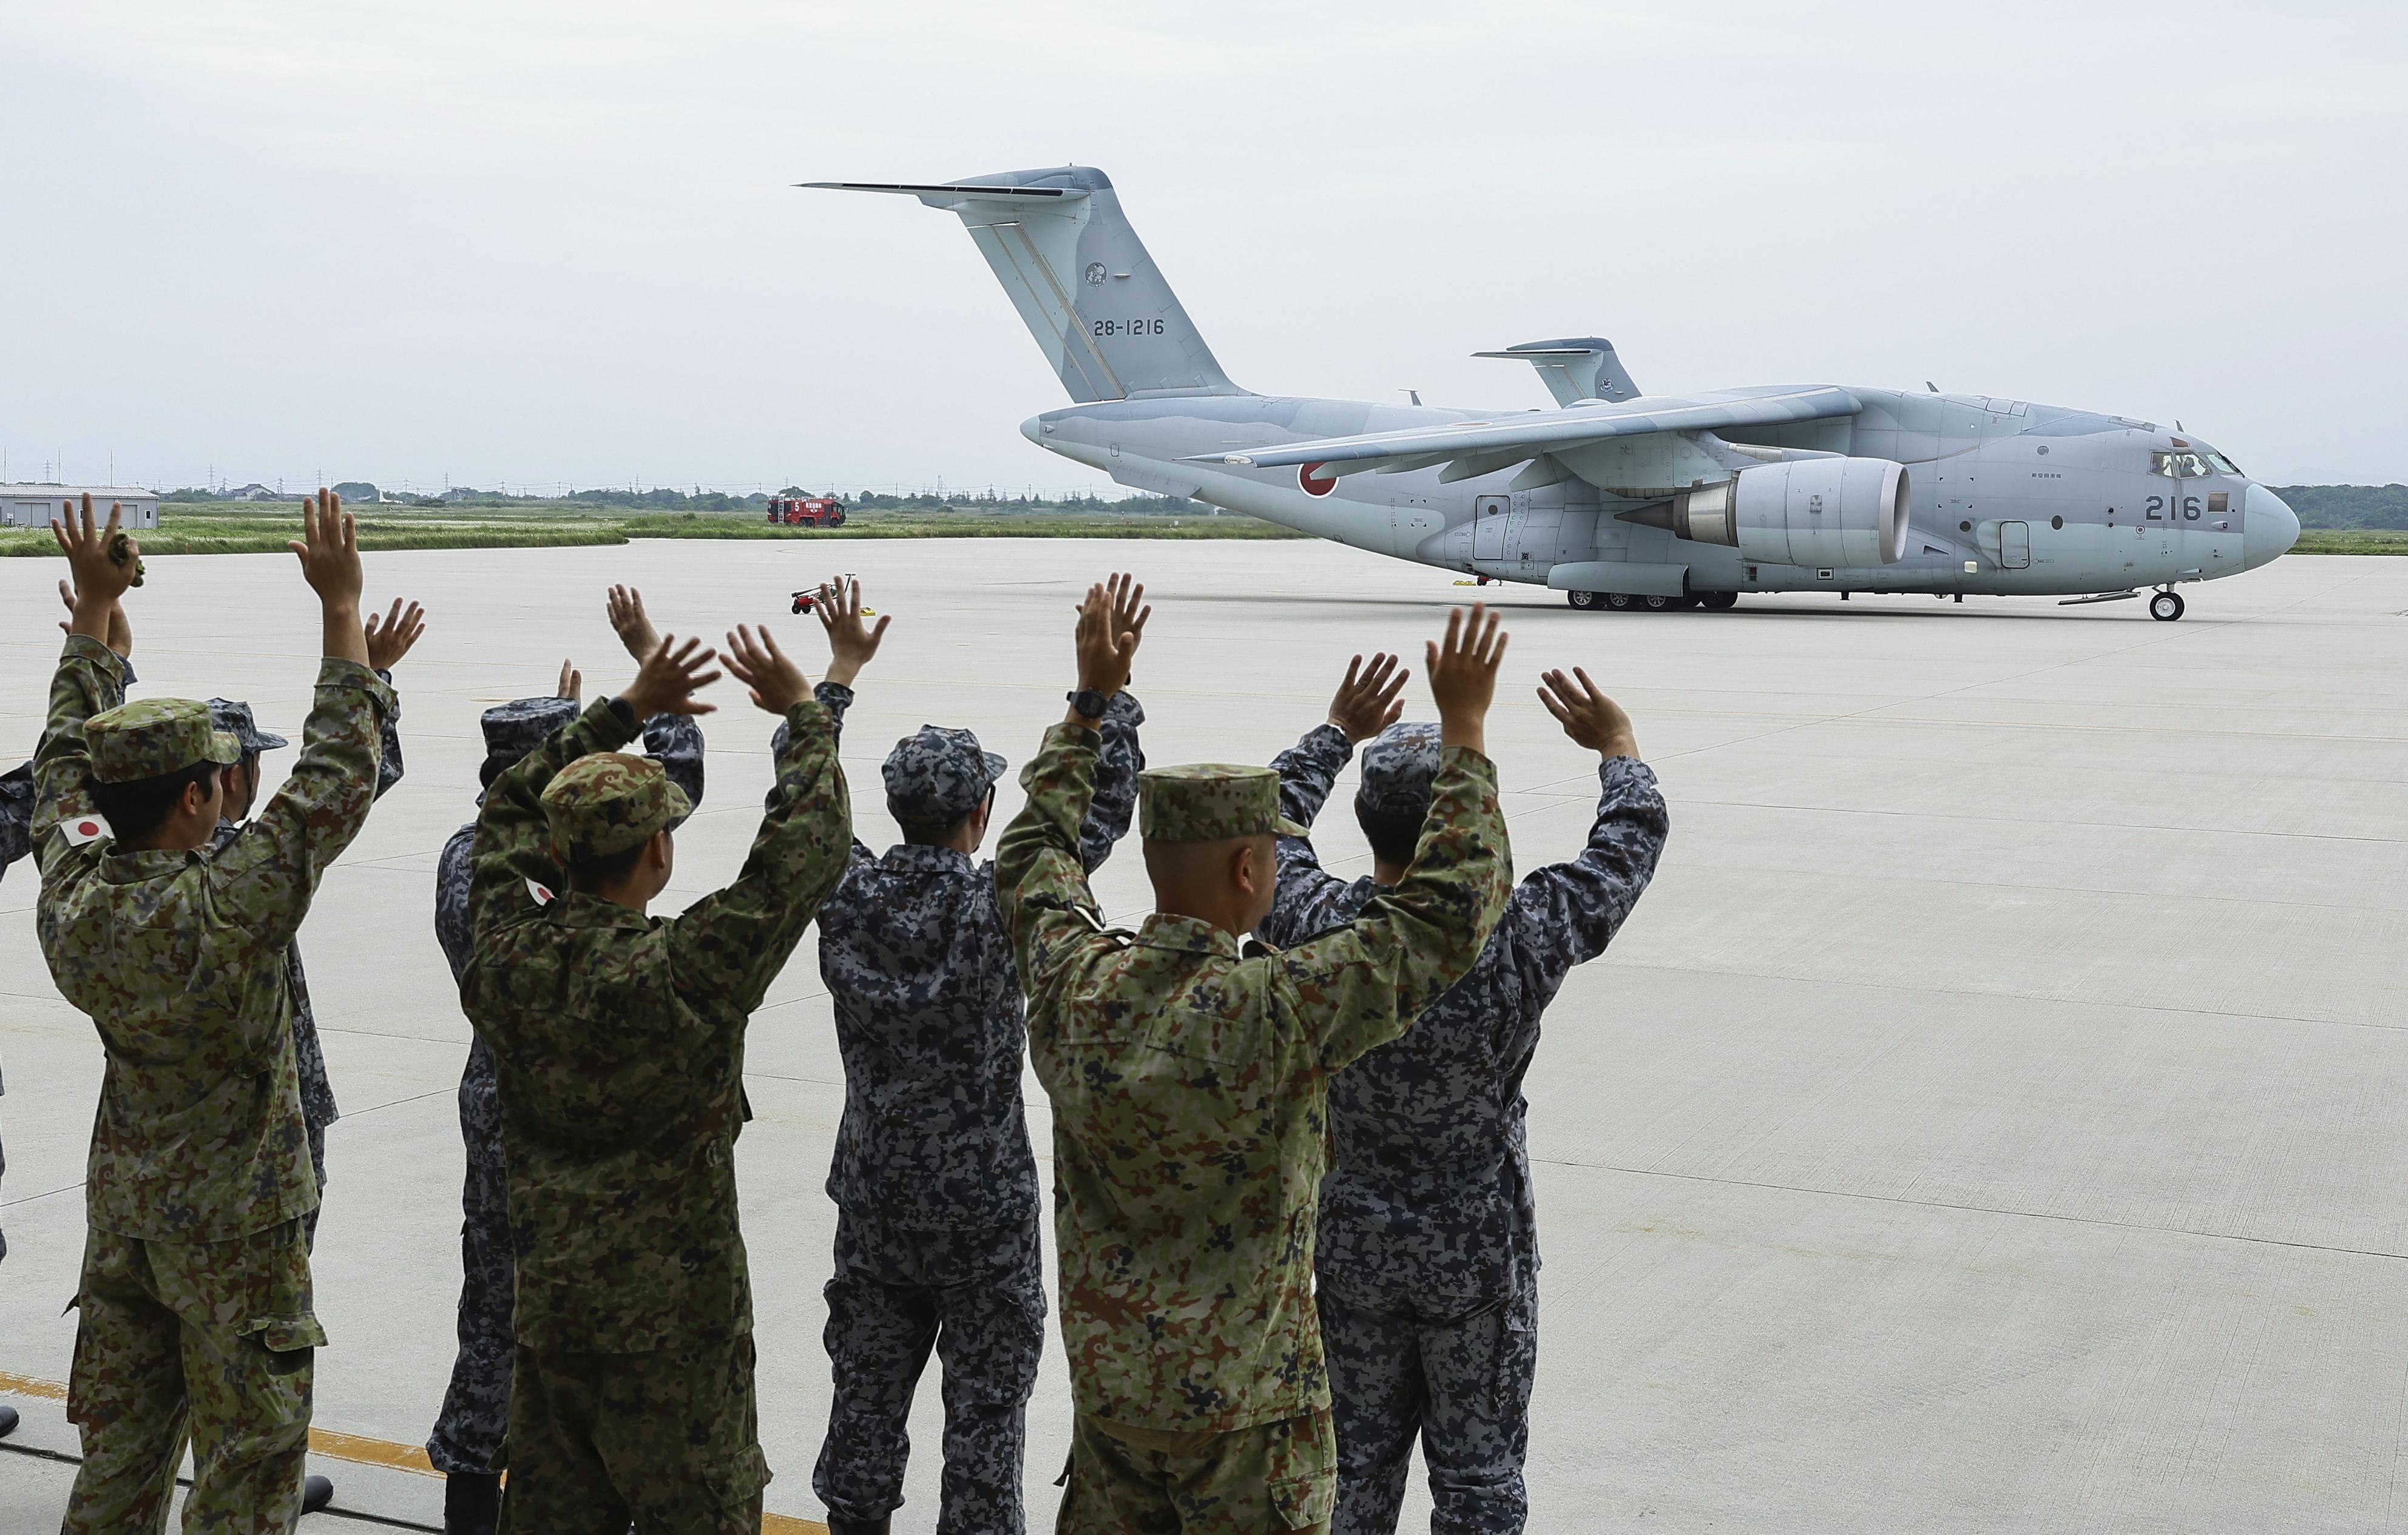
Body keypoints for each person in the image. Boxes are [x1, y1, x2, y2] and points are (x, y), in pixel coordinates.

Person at [996, 577, 1514, 1532]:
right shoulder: (1275, 1008)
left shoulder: (1074, 983)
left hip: (1116, 1411)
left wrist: (1088, 703)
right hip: (1248, 1424)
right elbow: (1447, 913)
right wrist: (1466, 731)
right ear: (1249, 872)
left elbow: (1031, 854)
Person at [36, 491, 405, 1530]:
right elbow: (335, 777)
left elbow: (65, 764)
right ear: (199, 797)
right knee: (244, 1471)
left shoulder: (75, 892)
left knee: (119, 1464)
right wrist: (343, 610)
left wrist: (93, 622)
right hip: (237, 1233)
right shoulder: (223, 906)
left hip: (130, 1219)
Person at [459, 611, 854, 1532]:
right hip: (677, 1338)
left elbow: (505, 808)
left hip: (555, 1321)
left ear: (558, 856)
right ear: (660, 850)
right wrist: (806, 713)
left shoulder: (506, 959)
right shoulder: (683, 972)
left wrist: (621, 707)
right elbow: (807, 849)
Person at [1258, 661, 1668, 1534]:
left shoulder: (1319, 924)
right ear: (1470, 823)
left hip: (1353, 1238)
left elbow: (1269, 829)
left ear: (1369, 817)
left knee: (1353, 1470)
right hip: (1476, 1246)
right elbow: (1628, 844)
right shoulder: (1520, 932)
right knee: (1479, 1479)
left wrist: (1336, 731)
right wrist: (1618, 748)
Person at [802, 578, 1145, 1535]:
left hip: (874, 1193)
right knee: (987, 1421)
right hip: (983, 1206)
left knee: (865, 1401)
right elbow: (1091, 821)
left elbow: (802, 808)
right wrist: (1105, 696)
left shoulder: (849, 891)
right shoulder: (1001, 902)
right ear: (983, 811)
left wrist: (835, 681)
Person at [425, 587, 704, 1535]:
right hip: (551, 1110)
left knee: (491, 1320)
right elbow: (675, 792)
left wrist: (595, 727)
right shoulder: (552, 873)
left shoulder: (468, 857)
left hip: (494, 1097)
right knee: (550, 1339)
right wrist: (649, 689)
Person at [208, 595, 422, 1253]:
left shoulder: (143, 866)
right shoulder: (242, 866)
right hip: (270, 1119)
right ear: (230, 775)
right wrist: (369, 679)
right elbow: (348, 783)